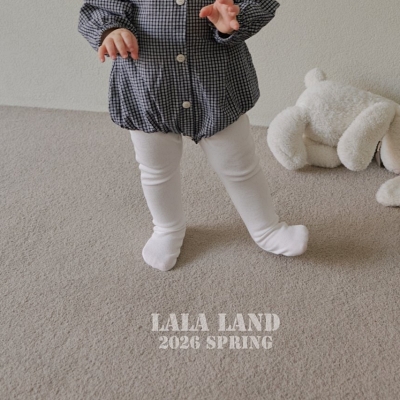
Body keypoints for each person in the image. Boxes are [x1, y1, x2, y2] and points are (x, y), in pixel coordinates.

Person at [78, 0, 309, 271]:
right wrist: (111, 30)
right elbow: (100, 6)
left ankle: (266, 228)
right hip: (149, 84)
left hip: (216, 84)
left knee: (239, 165)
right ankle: (167, 228)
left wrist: (234, 21)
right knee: (156, 169)